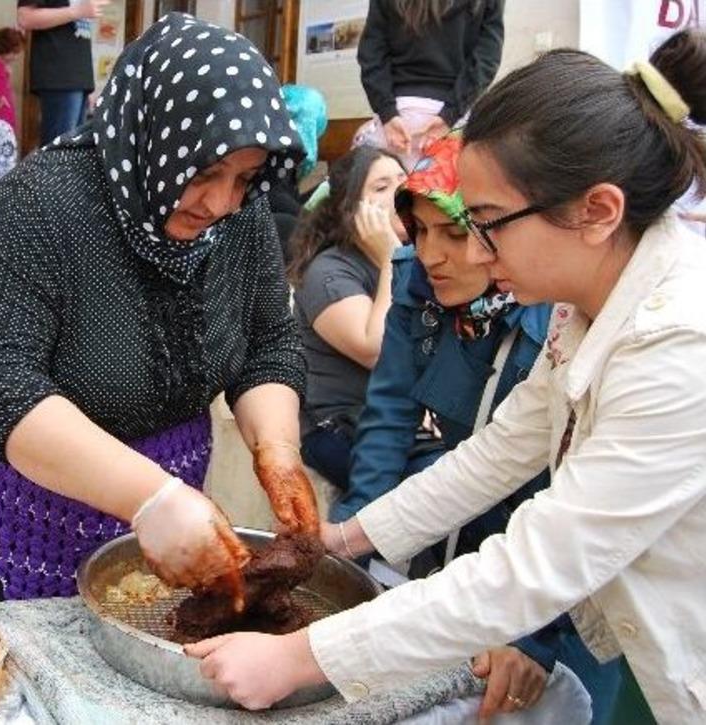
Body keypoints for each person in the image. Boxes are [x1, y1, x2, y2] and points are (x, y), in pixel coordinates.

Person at [186, 29, 706, 722]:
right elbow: (496, 453)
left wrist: (301, 655)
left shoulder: (678, 346)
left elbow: (536, 563)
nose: (480, 254)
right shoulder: (586, 306)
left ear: (598, 211)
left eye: (487, 224)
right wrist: (346, 537)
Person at [0, 13, 320, 604]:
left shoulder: (241, 219)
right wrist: (152, 498)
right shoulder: (40, 204)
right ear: (156, 135)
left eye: (245, 178)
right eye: (204, 172)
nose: (222, 202)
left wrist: (277, 450)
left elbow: (269, 343)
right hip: (37, 509)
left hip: (179, 500)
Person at [335, 134, 622, 722]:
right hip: (460, 532)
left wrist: (533, 636)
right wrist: (346, 556)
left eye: (459, 232)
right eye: (420, 230)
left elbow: (567, 506)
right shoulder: (419, 279)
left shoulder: (558, 305)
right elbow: (392, 418)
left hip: (564, 577)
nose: (433, 254)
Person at [286, 147, 407, 496]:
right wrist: (390, 260)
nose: (401, 193)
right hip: (337, 427)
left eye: (404, 181)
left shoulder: (420, 258)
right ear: (351, 208)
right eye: (382, 187)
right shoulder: (328, 272)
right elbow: (377, 350)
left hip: (393, 418)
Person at [354, 0, 504, 167]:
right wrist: (450, 115)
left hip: (399, 114)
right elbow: (487, 59)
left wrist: (388, 114)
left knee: (386, 187)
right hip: (455, 118)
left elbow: (371, 55)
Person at [17, 0, 106, 146]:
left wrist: (87, 83)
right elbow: (25, 17)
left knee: (70, 155)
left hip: (78, 79)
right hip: (58, 76)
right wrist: (77, 11)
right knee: (58, 154)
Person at [268, 84, 328, 262]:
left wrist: (322, 189)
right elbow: (272, 197)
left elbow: (285, 198)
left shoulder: (278, 150)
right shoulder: (275, 153)